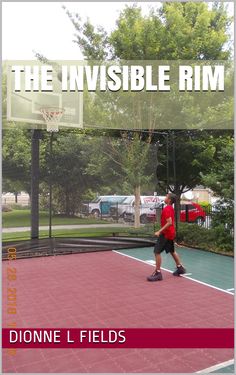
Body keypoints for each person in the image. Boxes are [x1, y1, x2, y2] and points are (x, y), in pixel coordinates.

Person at [147, 192, 186, 281]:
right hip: (170, 233)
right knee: (172, 251)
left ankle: (158, 273)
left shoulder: (167, 209)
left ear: (169, 200)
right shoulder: (170, 208)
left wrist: (159, 231)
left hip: (166, 234)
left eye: (166, 197)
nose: (164, 198)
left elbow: (169, 222)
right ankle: (180, 268)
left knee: (156, 251)